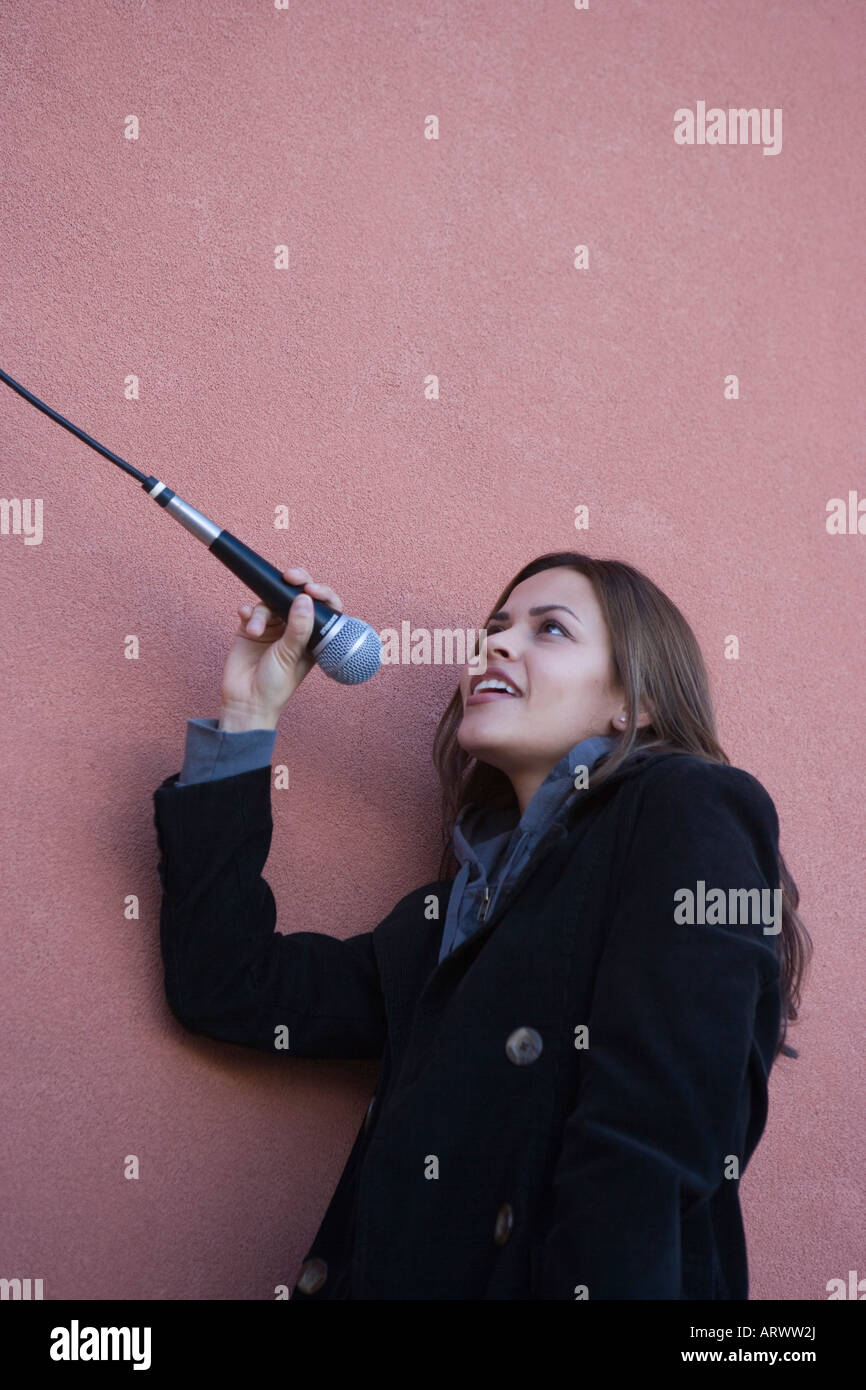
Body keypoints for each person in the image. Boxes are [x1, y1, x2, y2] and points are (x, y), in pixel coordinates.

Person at [152, 550, 811, 1300]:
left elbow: (657, 1140)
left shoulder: (686, 806)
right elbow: (229, 987)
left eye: (549, 630)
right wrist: (248, 715)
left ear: (635, 704)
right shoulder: (449, 917)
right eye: (492, 630)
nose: (494, 644)